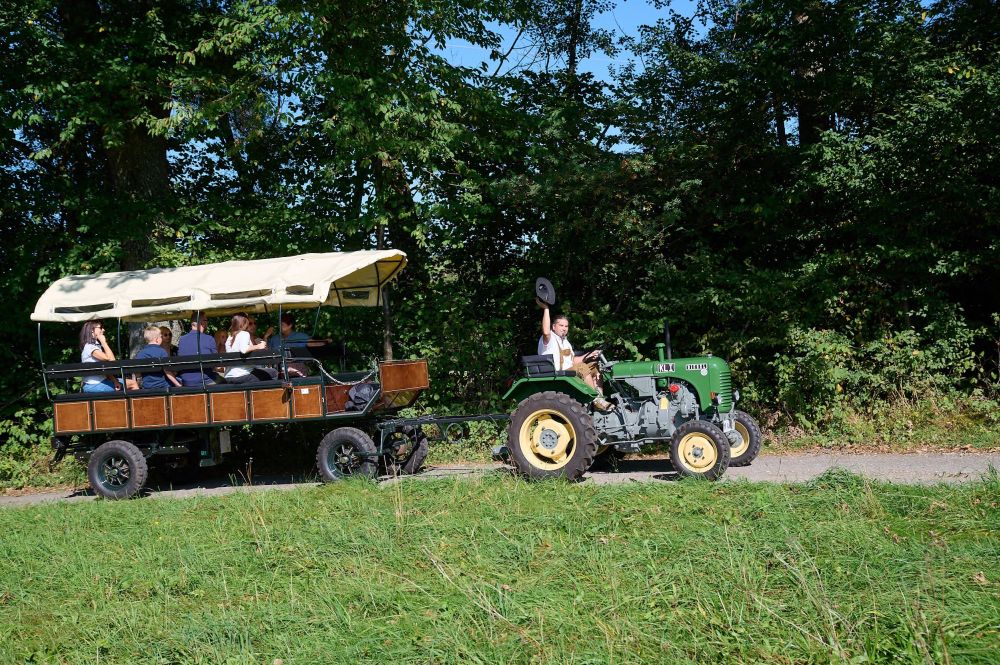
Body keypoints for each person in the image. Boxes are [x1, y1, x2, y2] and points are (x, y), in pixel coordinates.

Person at [537, 301, 612, 411]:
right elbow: (546, 332)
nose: (564, 328)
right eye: (561, 325)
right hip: (557, 374)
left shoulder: (565, 342)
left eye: (566, 326)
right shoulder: (549, 339)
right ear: (553, 327)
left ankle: (600, 399)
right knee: (582, 367)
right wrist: (546, 308)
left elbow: (573, 360)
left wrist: (589, 355)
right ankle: (595, 399)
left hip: (569, 370)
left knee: (595, 366)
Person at [224, 313, 269, 383]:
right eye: (249, 322)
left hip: (228, 376)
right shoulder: (244, 334)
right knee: (272, 374)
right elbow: (244, 350)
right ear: (244, 322)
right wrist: (259, 346)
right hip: (242, 375)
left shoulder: (229, 337)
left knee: (267, 373)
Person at [177, 313, 220, 386]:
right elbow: (217, 364)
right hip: (204, 381)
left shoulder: (182, 340)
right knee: (224, 381)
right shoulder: (209, 339)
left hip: (186, 381)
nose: (207, 322)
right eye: (206, 320)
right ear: (202, 322)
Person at [80, 321, 123, 393]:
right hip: (93, 385)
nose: (103, 330)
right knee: (132, 384)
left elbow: (107, 366)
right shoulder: (90, 347)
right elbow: (111, 359)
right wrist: (103, 342)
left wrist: (114, 380)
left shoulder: (95, 346)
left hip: (101, 381)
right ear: (91, 330)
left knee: (129, 382)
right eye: (100, 328)